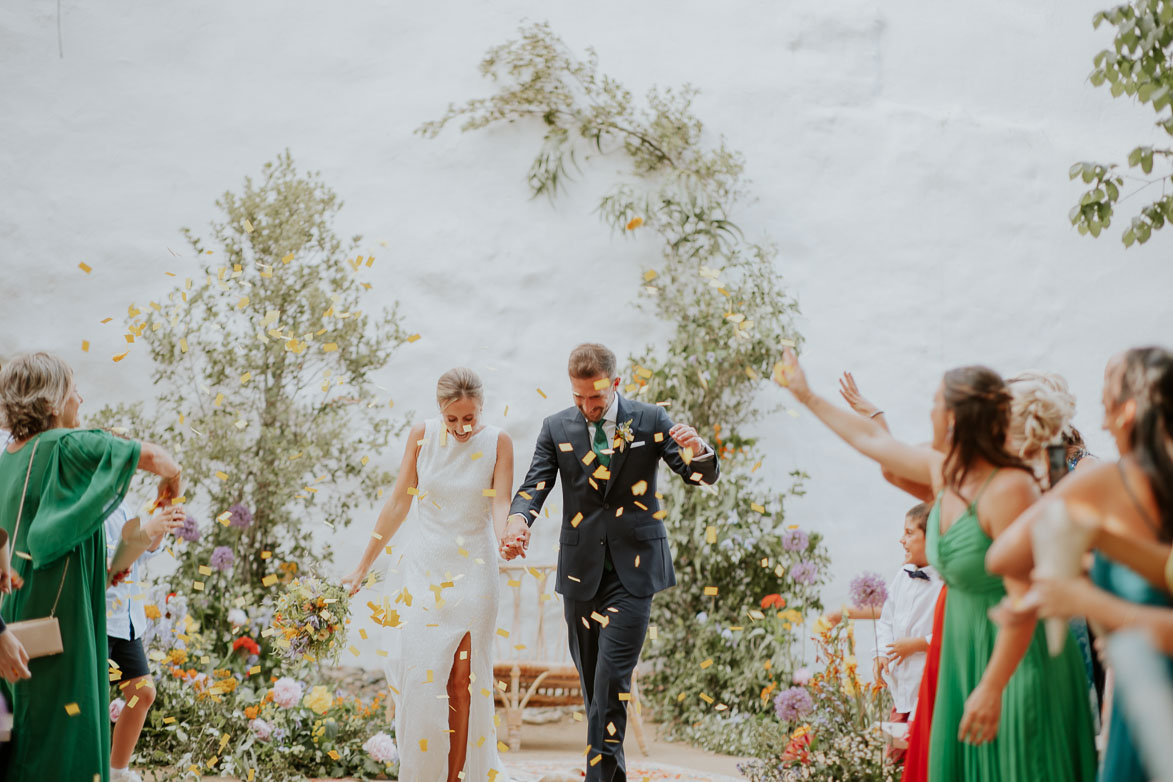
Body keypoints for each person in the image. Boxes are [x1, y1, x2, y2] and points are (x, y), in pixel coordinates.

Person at [776, 347, 1095, 781]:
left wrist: (992, 687)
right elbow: (875, 445)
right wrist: (806, 395)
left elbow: (1026, 601)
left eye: (934, 406)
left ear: (954, 420)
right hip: (963, 650)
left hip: (1014, 658)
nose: (928, 415)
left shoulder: (1010, 489)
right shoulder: (947, 472)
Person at [500, 343, 720, 782]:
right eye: (578, 398)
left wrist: (699, 451)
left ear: (615, 384)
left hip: (635, 571)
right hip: (581, 573)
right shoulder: (556, 426)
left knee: (611, 682)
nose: (586, 407)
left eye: (595, 399)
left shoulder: (651, 420)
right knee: (595, 690)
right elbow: (534, 485)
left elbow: (698, 475)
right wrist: (517, 521)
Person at [988, 346, 1173, 782]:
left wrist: (1087, 598)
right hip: (1136, 693)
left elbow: (1004, 554)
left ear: (1128, 411)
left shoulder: (1102, 481)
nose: (1101, 416)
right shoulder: (1110, 482)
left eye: (1106, 399)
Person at [0, 352, 182, 782]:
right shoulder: (63, 444)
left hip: (15, 607)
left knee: (28, 723)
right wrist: (172, 485)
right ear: (49, 403)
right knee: (66, 722)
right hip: (61, 610)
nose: (79, 399)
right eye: (72, 390)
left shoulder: (9, 456)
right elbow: (160, 460)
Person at [343, 368, 514, 782]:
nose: (461, 427)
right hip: (425, 573)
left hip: (474, 571)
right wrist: (362, 566)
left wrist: (508, 536)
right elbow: (399, 503)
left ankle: (456, 777)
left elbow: (500, 504)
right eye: (452, 418)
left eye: (469, 418)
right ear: (440, 410)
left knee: (462, 681)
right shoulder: (422, 435)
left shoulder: (499, 442)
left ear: (481, 408)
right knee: (421, 682)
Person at [105, 499, 185, 782]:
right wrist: (148, 527)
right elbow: (108, 563)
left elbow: (144, 553)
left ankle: (116, 772)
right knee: (92, 703)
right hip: (99, 620)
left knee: (143, 693)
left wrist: (160, 524)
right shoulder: (90, 507)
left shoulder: (123, 506)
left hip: (127, 622)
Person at [872, 502, 944, 764]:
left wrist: (917, 644)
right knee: (894, 758)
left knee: (920, 759)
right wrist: (880, 652)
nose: (901, 540)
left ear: (931, 537)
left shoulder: (945, 583)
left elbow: (952, 634)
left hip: (926, 690)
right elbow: (886, 619)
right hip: (900, 689)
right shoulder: (901, 576)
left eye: (909, 533)